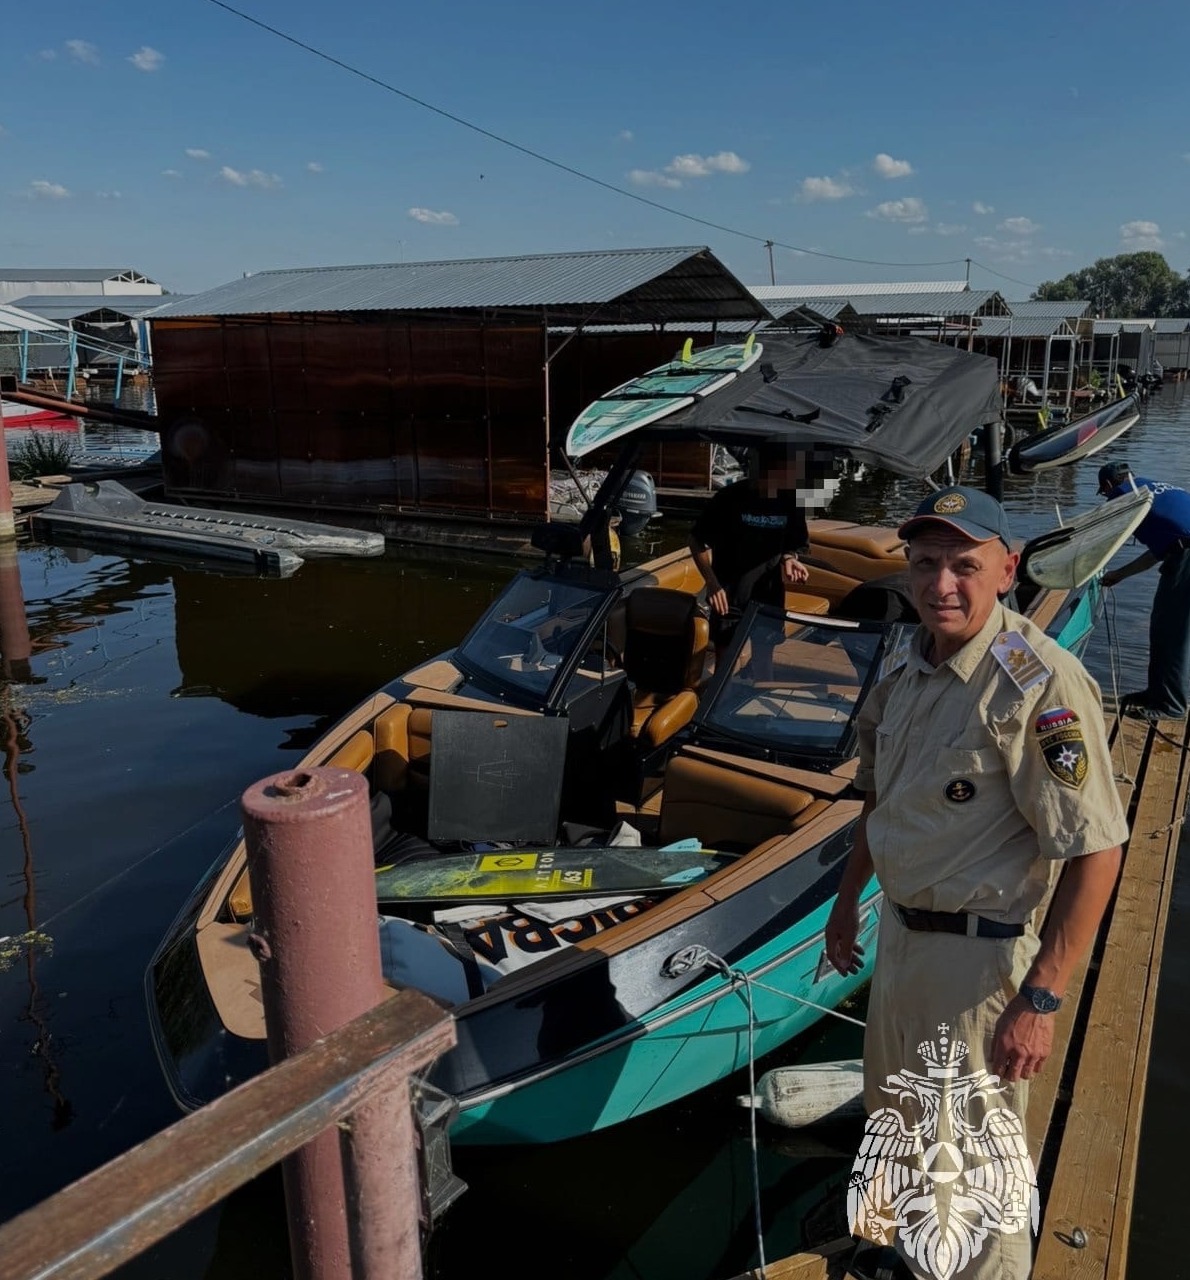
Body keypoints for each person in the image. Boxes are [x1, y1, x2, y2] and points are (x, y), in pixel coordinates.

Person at [824, 485, 1127, 1280]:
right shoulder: (908, 663)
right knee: (896, 1116)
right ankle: (901, 1257)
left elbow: (1097, 849)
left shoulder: (1037, 685)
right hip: (900, 939)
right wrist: (843, 903)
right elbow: (879, 800)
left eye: (964, 564)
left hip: (979, 964)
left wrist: (1042, 999)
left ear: (1007, 569)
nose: (941, 583)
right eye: (925, 563)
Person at [689, 442, 812, 674]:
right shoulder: (729, 498)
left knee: (764, 661)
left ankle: (758, 703)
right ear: (768, 469)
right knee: (725, 665)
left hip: (769, 596)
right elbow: (695, 541)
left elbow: (795, 543)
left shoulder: (791, 501)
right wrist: (712, 584)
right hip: (729, 596)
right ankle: (722, 705)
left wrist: (790, 559)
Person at [1098, 460, 1190, 721]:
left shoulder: (1122, 496)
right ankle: (1157, 693)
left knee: (1174, 634)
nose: (1107, 497)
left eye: (1104, 492)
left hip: (1187, 559)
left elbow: (1100, 536)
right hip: (1181, 554)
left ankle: (1171, 707)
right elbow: (1157, 554)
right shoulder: (1149, 487)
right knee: (1162, 626)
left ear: (1106, 485)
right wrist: (1119, 575)